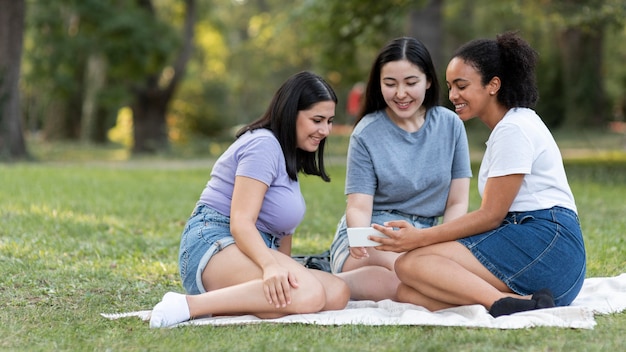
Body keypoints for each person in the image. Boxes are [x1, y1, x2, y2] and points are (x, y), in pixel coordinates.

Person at [370, 31, 586, 317]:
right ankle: (523, 302)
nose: (453, 96)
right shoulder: (512, 125)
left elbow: (490, 216)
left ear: (493, 85)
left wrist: (420, 238)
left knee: (410, 264)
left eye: (461, 86)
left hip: (549, 246)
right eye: (450, 86)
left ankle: (499, 303)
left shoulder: (514, 129)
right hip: (538, 254)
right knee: (408, 293)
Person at [149, 71, 350, 328]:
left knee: (336, 291)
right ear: (291, 114)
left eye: (330, 121)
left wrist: (284, 267)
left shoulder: (288, 155)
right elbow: (241, 222)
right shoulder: (263, 145)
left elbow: (282, 232)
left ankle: (239, 304)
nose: (325, 130)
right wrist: (271, 267)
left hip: (254, 248)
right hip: (214, 242)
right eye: (317, 120)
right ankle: (188, 305)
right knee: (309, 293)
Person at [329, 37, 472, 301]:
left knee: (432, 276)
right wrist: (358, 237)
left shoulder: (451, 125)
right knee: (405, 277)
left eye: (411, 82)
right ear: (378, 84)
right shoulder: (366, 132)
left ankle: (433, 278)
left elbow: (457, 202)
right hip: (376, 240)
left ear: (428, 81)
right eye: (390, 84)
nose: (400, 94)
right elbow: (359, 206)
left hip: (426, 239)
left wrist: (443, 244)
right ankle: (330, 282)